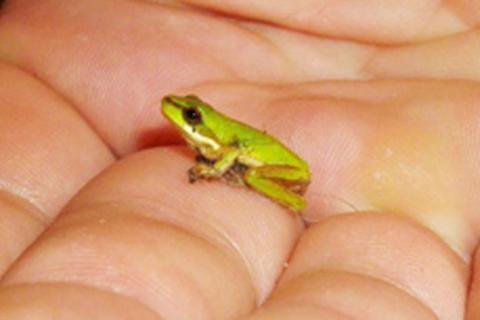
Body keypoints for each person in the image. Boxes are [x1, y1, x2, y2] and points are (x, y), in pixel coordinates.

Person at [0, 1, 478, 319]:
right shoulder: (205, 129)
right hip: (260, 148)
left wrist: (213, 168)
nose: (178, 116)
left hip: (278, 167)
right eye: (190, 112)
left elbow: (227, 152)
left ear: (200, 122)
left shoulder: (216, 141)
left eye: (190, 115)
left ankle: (266, 192)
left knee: (244, 171)